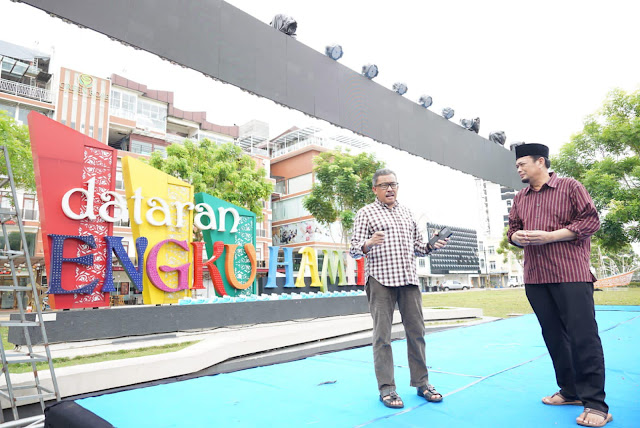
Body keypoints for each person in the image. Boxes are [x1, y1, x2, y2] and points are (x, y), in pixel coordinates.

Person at [507, 144, 612, 427]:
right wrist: (519, 237)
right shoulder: (520, 198)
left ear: (541, 162)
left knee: (583, 337)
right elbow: (511, 231)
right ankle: (570, 391)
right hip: (536, 277)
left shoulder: (570, 186)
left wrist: (550, 237)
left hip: (571, 274)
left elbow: (590, 221)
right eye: (517, 166)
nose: (519, 169)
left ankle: (596, 404)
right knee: (554, 337)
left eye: (523, 164)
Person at [350, 168, 449, 409]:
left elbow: (418, 247)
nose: (390, 189)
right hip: (381, 281)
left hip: (408, 280)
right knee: (382, 337)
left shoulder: (407, 213)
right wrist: (368, 243)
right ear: (375, 189)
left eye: (393, 184)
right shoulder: (365, 214)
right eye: (384, 185)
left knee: (417, 333)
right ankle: (387, 389)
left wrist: (432, 245)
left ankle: (422, 383)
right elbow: (353, 249)